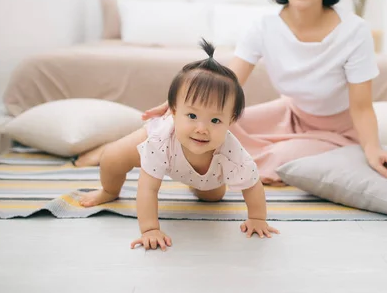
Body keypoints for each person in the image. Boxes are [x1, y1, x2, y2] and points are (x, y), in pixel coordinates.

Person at [140, 0, 387, 187]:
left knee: (280, 158)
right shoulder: (263, 27)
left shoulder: (355, 32)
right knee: (207, 123)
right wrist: (184, 100)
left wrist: (373, 148)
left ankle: (207, 169)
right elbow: (229, 82)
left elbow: (362, 107)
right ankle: (121, 153)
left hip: (339, 132)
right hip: (289, 114)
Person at [79, 39, 280, 251]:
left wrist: (257, 218)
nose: (202, 128)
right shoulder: (159, 140)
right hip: (165, 140)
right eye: (192, 115)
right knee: (112, 157)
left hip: (201, 168)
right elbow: (148, 188)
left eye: (215, 120)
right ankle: (109, 190)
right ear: (173, 111)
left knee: (212, 196)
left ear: (231, 121)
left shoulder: (232, 152)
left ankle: (196, 182)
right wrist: (150, 229)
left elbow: (252, 185)